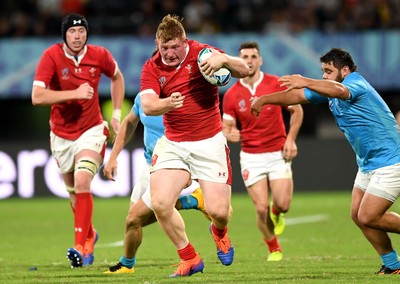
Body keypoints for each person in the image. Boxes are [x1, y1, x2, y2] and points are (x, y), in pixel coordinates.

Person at [250, 47, 400, 275]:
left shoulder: (356, 83)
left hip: (392, 160)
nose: (324, 76)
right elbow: (298, 96)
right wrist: (265, 99)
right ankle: (393, 264)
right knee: (358, 216)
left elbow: (339, 90)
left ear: (346, 70)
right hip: (369, 163)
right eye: (323, 71)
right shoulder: (328, 89)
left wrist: (305, 80)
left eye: (328, 71)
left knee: (368, 215)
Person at [139, 14, 249, 277]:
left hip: (209, 143)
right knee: (160, 202)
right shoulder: (152, 67)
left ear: (184, 41)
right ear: (157, 43)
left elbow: (245, 69)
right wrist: (168, 103)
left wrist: (224, 59)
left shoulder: (203, 54)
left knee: (219, 213)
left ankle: (219, 232)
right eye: (163, 48)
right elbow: (148, 105)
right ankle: (189, 257)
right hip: (174, 143)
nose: (168, 53)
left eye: (174, 47)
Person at [31, 13, 125, 268]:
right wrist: (74, 92)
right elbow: (37, 97)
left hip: (92, 129)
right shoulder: (51, 56)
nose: (77, 36)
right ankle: (90, 234)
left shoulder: (99, 55)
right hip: (61, 134)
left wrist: (115, 114)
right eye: (72, 32)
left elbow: (117, 77)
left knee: (83, 180)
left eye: (81, 31)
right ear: (65, 35)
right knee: (73, 192)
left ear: (86, 34)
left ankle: (80, 246)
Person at [103, 92, 210, 274]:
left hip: (170, 168)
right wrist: (113, 156)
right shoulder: (143, 98)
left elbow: (201, 133)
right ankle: (127, 265)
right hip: (149, 165)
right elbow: (129, 122)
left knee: (135, 216)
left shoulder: (182, 98)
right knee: (133, 222)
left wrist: (190, 169)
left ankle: (188, 255)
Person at [222, 41, 303, 262]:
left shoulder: (275, 83)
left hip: (278, 153)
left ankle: (277, 213)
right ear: (239, 61)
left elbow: (296, 110)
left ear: (260, 60)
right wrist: (230, 134)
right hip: (251, 156)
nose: (249, 60)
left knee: (283, 205)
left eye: (253, 56)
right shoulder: (231, 94)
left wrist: (291, 140)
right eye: (244, 57)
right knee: (259, 208)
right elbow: (226, 126)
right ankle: (274, 248)